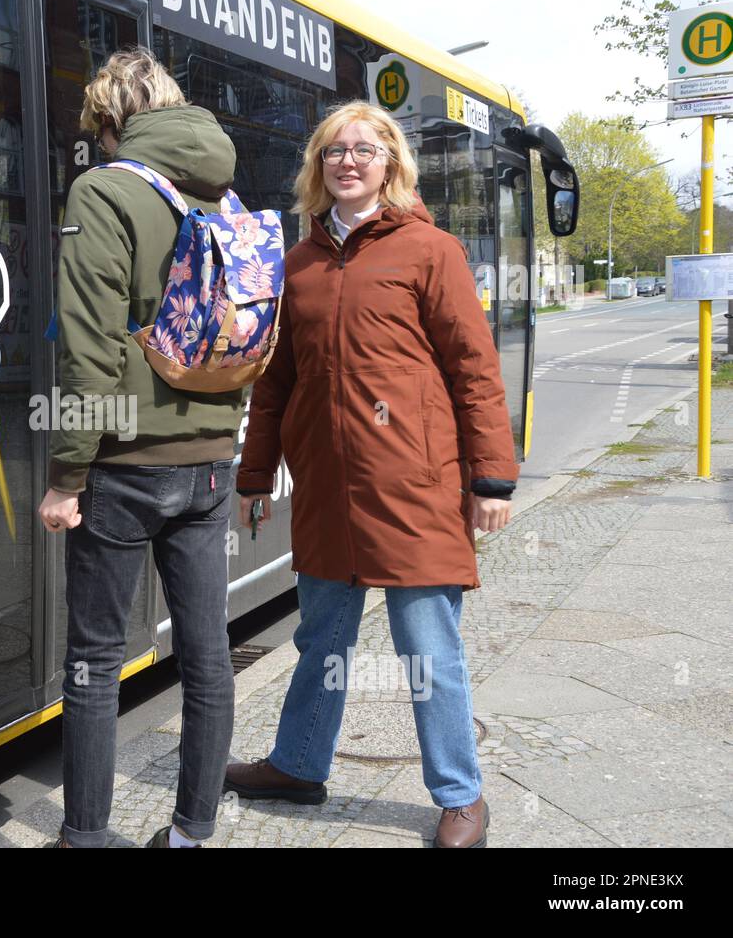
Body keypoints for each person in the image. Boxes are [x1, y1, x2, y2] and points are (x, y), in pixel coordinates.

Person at [226, 100, 516, 848]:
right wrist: (255, 474)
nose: (348, 161)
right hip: (327, 489)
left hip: (415, 485)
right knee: (320, 641)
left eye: (365, 149)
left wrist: (491, 478)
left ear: (391, 164)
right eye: (333, 151)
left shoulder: (430, 250)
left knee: (427, 650)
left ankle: (461, 796)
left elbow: (474, 369)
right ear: (318, 169)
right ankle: (297, 765)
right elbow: (274, 382)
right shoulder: (298, 265)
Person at [37, 48, 246, 848]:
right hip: (209, 465)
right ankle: (191, 835)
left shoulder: (105, 189)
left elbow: (88, 351)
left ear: (110, 116)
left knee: (93, 665)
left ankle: (85, 838)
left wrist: (67, 476)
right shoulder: (224, 194)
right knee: (208, 658)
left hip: (124, 470)